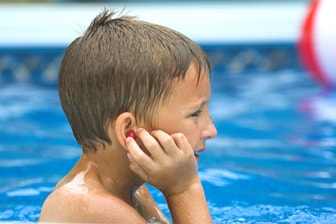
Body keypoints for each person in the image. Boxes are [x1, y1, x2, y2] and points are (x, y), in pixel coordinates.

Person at [39, 9, 217, 223]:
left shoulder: (132, 190)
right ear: (128, 131)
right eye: (195, 113)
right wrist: (184, 189)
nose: (211, 130)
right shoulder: (91, 206)